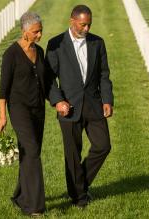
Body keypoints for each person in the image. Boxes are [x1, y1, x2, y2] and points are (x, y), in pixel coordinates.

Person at [45, 5, 114, 208]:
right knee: (73, 153)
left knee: (103, 146)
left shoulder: (97, 43)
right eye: (83, 25)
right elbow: (49, 79)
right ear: (72, 21)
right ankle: (80, 197)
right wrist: (58, 101)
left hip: (94, 105)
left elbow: (104, 75)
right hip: (69, 107)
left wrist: (107, 100)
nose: (86, 29)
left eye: (89, 25)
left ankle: (78, 185)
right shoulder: (56, 44)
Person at [0, 12, 47, 216]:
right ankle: (34, 206)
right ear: (25, 31)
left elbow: (47, 81)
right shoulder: (11, 54)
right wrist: (2, 116)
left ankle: (19, 195)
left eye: (40, 30)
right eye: (36, 32)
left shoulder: (40, 52)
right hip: (19, 109)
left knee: (30, 154)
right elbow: (3, 89)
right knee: (32, 151)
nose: (40, 35)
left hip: (38, 109)